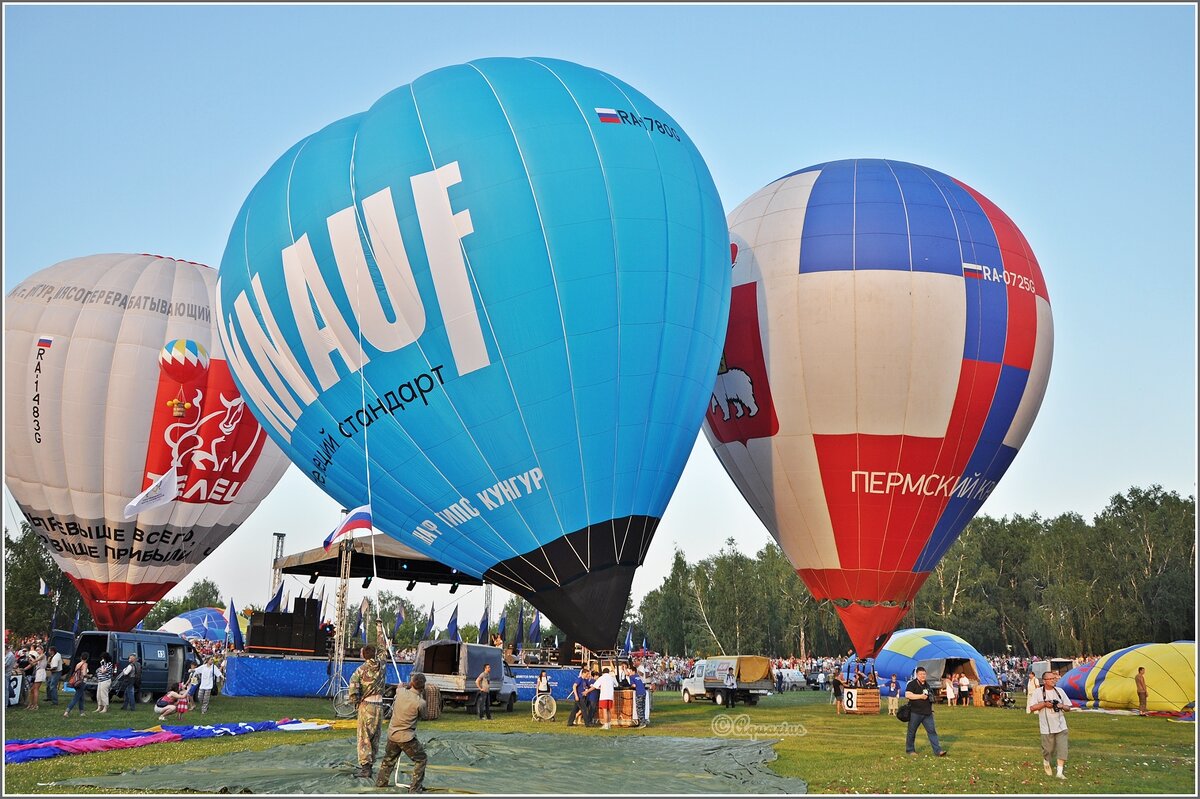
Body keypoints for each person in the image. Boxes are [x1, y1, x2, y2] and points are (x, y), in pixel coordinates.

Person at [375, 672, 429, 792]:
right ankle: (415, 788)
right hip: (407, 738)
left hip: (393, 734)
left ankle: (381, 782)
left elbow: (399, 687)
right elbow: (424, 716)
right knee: (421, 759)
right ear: (423, 687)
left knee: (388, 759)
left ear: (411, 683)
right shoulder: (420, 703)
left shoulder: (401, 692)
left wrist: (402, 685)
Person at [348, 629, 390, 779]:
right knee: (375, 737)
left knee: (364, 737)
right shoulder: (382, 666)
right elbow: (383, 648)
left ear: (363, 656)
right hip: (380, 706)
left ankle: (366, 768)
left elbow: (353, 690)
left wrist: (356, 703)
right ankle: (370, 765)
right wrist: (379, 629)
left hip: (366, 706)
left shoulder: (359, 671)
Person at [1028, 670, 1072, 779]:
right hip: (1046, 727)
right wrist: (1044, 704)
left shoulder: (1060, 691)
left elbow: (1068, 708)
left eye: (1054, 678)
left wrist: (1061, 706)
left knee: (1062, 748)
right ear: (1044, 681)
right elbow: (1032, 707)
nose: (1053, 681)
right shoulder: (1038, 692)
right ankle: (1046, 761)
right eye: (1051, 679)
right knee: (1048, 750)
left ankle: (1059, 772)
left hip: (1061, 725)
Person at [904, 667, 948, 756]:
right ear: (917, 675)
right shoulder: (912, 684)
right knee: (912, 732)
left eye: (924, 674)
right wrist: (920, 696)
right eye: (921, 674)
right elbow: (908, 695)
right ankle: (910, 750)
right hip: (915, 712)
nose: (923, 676)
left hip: (927, 713)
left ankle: (938, 751)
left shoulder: (927, 685)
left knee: (932, 732)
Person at [26, 644, 45, 710]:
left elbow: (35, 661)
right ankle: (31, 704)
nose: (37, 651)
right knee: (32, 690)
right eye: (36, 650)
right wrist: (29, 660)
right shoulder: (39, 657)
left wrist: (29, 656)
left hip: (40, 672)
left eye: (38, 650)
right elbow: (33, 664)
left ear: (42, 650)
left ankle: (35, 705)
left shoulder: (43, 655)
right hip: (38, 673)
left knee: (35, 689)